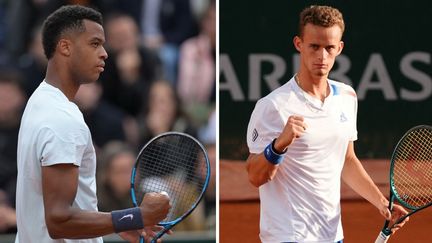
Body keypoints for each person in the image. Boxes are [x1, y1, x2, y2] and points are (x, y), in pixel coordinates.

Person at [245, 5, 409, 243]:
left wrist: (383, 204)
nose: (322, 56)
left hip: (332, 236)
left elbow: (347, 160)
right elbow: (254, 176)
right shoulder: (273, 105)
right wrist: (278, 145)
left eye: (329, 48)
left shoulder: (346, 96)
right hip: (288, 236)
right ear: (299, 44)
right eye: (314, 46)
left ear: (339, 48)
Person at [15, 5, 170, 243]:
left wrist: (110, 224)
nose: (105, 53)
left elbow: (63, 208)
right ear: (65, 47)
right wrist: (137, 216)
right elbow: (58, 221)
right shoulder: (62, 119)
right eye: (95, 43)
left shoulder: (39, 101)